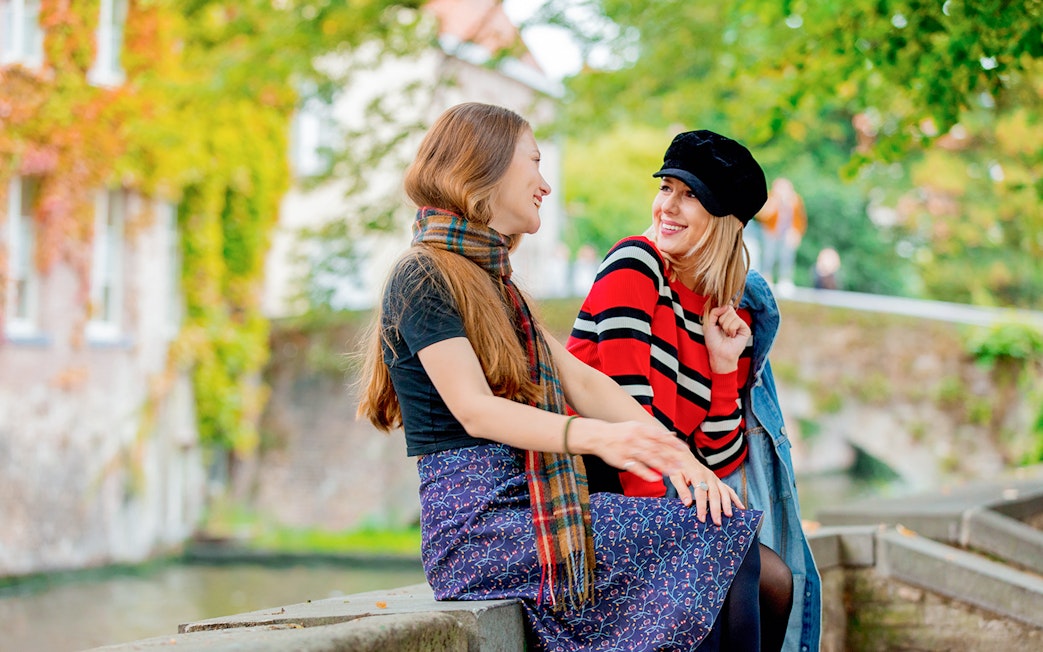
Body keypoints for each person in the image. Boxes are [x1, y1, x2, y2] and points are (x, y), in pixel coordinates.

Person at [357, 103, 765, 651]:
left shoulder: (497, 287)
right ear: (489, 167)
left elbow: (584, 382)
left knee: (727, 548)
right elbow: (475, 409)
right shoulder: (423, 273)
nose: (545, 184)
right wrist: (603, 437)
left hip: (529, 503)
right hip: (479, 527)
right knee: (716, 548)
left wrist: (680, 459)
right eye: (535, 162)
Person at [566, 130, 822, 652]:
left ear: (726, 220)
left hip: (659, 489)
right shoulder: (634, 265)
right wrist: (674, 536)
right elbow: (628, 416)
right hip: (593, 485)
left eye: (691, 196)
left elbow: (721, 456)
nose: (669, 206)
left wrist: (724, 366)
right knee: (730, 567)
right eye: (666, 188)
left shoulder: (728, 313)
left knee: (778, 581)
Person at [756, 177, 807, 294]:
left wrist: (797, 233)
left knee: (787, 256)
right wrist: (774, 203)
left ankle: (785, 280)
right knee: (768, 255)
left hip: (788, 233)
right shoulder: (770, 198)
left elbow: (800, 219)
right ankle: (766, 278)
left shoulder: (795, 200)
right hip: (771, 232)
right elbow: (762, 216)